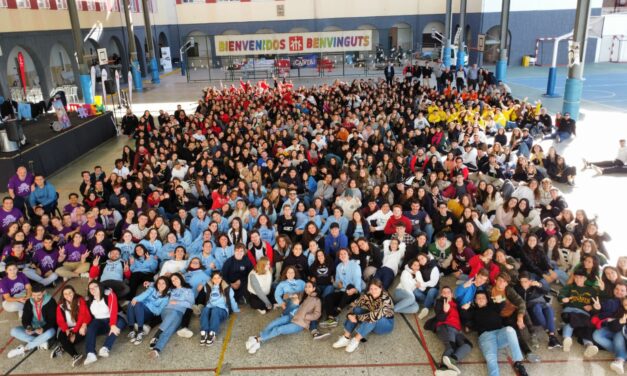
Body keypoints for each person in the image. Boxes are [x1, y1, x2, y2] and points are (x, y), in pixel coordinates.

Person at [246, 280, 321, 354]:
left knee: (279, 329)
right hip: (291, 315)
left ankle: (256, 339)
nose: (307, 288)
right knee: (273, 323)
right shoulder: (304, 296)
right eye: (306, 287)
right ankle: (258, 341)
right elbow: (287, 296)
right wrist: (293, 298)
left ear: (314, 288)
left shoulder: (317, 300)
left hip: (299, 323)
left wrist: (305, 316)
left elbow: (317, 314)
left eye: (309, 287)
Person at [470, 291, 529, 376]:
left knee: (510, 329)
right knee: (491, 360)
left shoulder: (493, 307)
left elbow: (502, 299)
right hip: (486, 337)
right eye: (478, 298)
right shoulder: (473, 311)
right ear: (475, 301)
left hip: (499, 333)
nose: (481, 299)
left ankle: (518, 362)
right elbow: (465, 316)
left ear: (487, 300)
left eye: (483, 297)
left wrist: (495, 299)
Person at [331, 278, 394, 353]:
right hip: (371, 319)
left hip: (385, 324)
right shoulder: (368, 295)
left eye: (376, 288)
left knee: (372, 317)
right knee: (357, 310)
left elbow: (374, 316)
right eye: (371, 288)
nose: (373, 291)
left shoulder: (386, 299)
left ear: (381, 288)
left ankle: (356, 340)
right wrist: (349, 315)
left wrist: (356, 317)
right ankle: (346, 338)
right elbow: (354, 304)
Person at [424, 286, 472, 374]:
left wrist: (464, 309)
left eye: (448, 292)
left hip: (457, 330)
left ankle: (452, 361)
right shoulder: (439, 302)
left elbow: (463, 317)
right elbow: (440, 318)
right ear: (442, 295)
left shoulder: (456, 303)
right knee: (451, 346)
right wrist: (445, 311)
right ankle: (442, 369)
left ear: (452, 294)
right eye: (444, 292)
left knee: (468, 345)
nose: (446, 293)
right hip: (445, 326)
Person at [148, 273, 194, 358]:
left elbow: (190, 304)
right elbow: (160, 285)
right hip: (167, 311)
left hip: (179, 313)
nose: (174, 281)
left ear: (181, 278)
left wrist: (177, 302)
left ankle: (156, 350)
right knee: (172, 314)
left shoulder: (188, 290)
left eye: (176, 278)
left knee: (170, 329)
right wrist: (149, 284)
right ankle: (157, 335)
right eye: (172, 280)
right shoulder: (171, 290)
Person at [6, 283, 57, 358]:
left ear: (44, 292)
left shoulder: (50, 301)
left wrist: (43, 328)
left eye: (39, 295)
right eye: (33, 295)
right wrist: (28, 327)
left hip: (47, 329)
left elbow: (52, 320)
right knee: (13, 331)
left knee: (50, 333)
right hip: (34, 328)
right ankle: (41, 342)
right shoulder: (29, 301)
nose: (35, 298)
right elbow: (25, 318)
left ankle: (24, 349)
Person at [83, 281, 127, 365]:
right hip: (99, 322)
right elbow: (87, 315)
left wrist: (113, 324)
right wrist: (84, 325)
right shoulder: (89, 299)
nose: (92, 290)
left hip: (113, 318)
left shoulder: (109, 294)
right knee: (91, 327)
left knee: (120, 322)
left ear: (100, 286)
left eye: (95, 287)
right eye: (90, 288)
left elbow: (113, 310)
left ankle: (106, 347)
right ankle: (90, 353)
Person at [559, 268, 600, 357]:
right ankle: (567, 339)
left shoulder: (591, 290)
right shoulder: (570, 287)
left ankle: (588, 345)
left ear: (585, 279)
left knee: (586, 325)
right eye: (576, 277)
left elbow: (595, 304)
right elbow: (561, 295)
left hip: (583, 313)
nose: (578, 279)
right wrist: (563, 298)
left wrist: (592, 307)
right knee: (573, 319)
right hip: (569, 311)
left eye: (581, 277)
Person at [514, 271, 561, 349]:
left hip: (542, 305)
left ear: (530, 281)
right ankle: (550, 332)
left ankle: (552, 336)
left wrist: (539, 285)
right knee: (537, 307)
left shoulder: (535, 285)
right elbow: (520, 302)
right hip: (532, 312)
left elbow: (547, 290)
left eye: (525, 281)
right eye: (521, 281)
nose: (523, 284)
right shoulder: (517, 288)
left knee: (548, 308)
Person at [320, 248, 362, 328]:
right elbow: (337, 283)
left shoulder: (355, 266)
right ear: (339, 257)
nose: (342, 255)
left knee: (350, 286)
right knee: (328, 297)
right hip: (343, 292)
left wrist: (355, 290)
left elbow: (358, 282)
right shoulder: (339, 267)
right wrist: (337, 283)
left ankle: (337, 311)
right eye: (340, 254)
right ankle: (331, 318)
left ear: (348, 255)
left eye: (344, 253)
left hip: (354, 292)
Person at [51, 285, 92, 366]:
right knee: (61, 337)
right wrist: (66, 330)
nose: (68, 295)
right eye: (65, 294)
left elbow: (83, 316)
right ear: (63, 295)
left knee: (82, 334)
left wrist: (73, 332)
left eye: (70, 293)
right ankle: (75, 356)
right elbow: (60, 321)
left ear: (74, 292)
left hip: (79, 326)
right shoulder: (61, 305)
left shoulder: (80, 301)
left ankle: (63, 347)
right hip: (68, 328)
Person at [198, 271, 239, 346]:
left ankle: (212, 333)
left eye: (218, 278)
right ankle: (204, 332)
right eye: (214, 278)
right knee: (205, 309)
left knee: (215, 310)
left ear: (221, 278)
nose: (216, 280)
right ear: (212, 279)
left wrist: (236, 309)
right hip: (210, 307)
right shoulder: (208, 286)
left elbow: (232, 299)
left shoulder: (226, 287)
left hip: (222, 310)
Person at [127, 276, 170, 345]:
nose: (160, 285)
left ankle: (140, 331)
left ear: (167, 285)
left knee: (138, 304)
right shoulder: (152, 289)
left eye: (163, 283)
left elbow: (158, 311)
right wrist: (135, 299)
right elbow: (143, 295)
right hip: (140, 310)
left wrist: (147, 304)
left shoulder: (166, 298)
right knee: (131, 303)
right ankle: (132, 330)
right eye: (159, 283)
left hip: (150, 314)